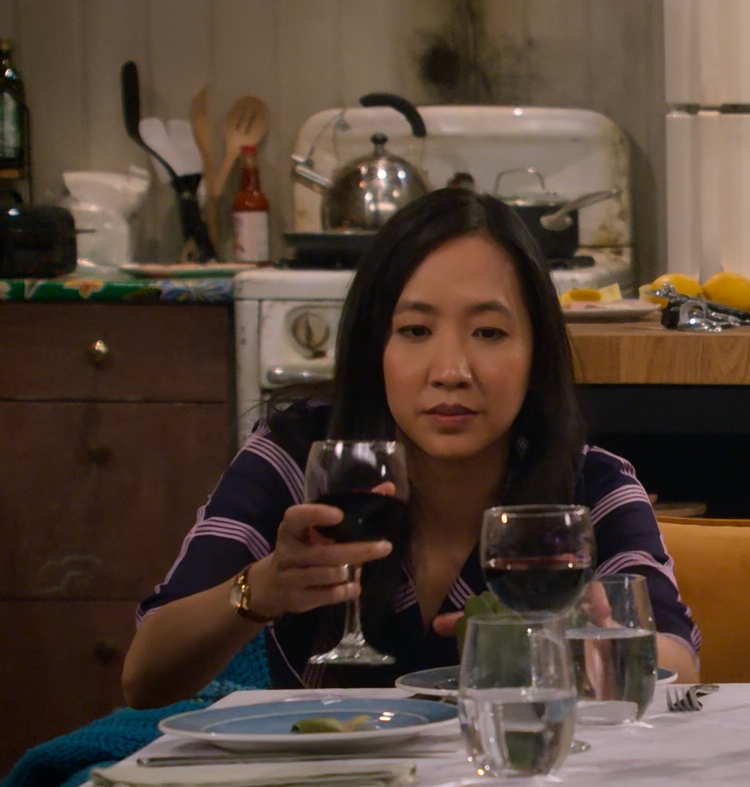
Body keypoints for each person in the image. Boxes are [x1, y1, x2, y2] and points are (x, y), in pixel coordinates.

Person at [122, 187, 698, 705]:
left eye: (490, 333)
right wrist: (262, 588)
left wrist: (583, 642)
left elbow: (680, 665)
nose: (451, 371)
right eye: (416, 331)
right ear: (375, 346)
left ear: (536, 352)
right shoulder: (301, 459)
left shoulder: (590, 485)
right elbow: (145, 676)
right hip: (325, 780)